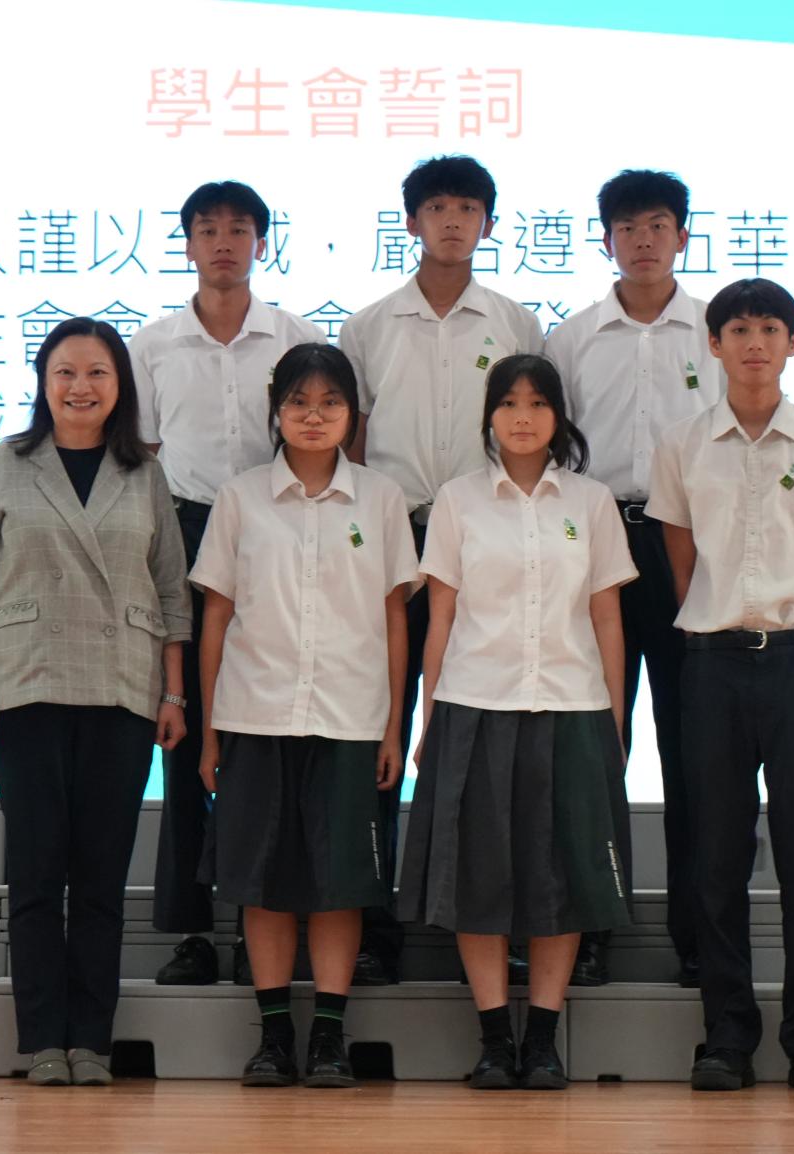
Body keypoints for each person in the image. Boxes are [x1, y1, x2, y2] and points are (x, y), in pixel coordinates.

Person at [0, 317, 191, 1086]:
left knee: (99, 879)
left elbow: (172, 592)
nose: (80, 387)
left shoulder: (144, 472)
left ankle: (91, 1040)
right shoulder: (7, 464)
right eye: (65, 372)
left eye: (97, 373)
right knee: (34, 874)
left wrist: (174, 692)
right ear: (43, 383)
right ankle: (42, 1042)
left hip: (123, 690)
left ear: (120, 386)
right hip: (26, 687)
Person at [648, 278, 794, 1092]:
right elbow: (681, 560)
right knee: (716, 858)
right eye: (738, 329)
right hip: (712, 666)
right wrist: (723, 628)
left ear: (792, 343)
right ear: (712, 344)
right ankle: (727, 1040)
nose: (755, 342)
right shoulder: (681, 445)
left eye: (771, 328)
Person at [399, 353, 638, 1090]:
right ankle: (494, 1040)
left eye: (537, 403)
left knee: (560, 878)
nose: (522, 417)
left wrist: (616, 721)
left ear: (559, 416)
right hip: (475, 703)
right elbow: (440, 618)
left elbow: (606, 616)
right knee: (479, 880)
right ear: (489, 417)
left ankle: (543, 1040)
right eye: (508, 403)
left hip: (572, 706)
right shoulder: (458, 500)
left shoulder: (591, 502)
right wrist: (429, 719)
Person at [340, 154, 543, 983]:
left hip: (488, 548)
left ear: (488, 224)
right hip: (391, 542)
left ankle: (490, 922)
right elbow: (352, 442)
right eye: (436, 207)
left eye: (467, 208)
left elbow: (531, 436)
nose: (452, 221)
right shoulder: (368, 327)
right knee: (378, 730)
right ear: (411, 221)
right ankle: (374, 929)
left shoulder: (516, 322)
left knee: (484, 739)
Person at [192, 343, 418, 1087]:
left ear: (354, 415)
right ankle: (272, 1037)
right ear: (276, 411)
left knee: (339, 885)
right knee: (262, 884)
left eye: (330, 403)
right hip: (255, 714)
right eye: (298, 402)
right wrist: (211, 731)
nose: (313, 416)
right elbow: (216, 616)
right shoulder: (241, 498)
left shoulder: (381, 499)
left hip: (351, 718)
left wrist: (393, 727)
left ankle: (328, 1036)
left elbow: (395, 619)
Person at [129, 180, 326, 987]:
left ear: (261, 244)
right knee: (186, 737)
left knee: (271, 736)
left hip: (282, 533)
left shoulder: (297, 337)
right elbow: (142, 453)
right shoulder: (152, 346)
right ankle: (192, 931)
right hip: (182, 530)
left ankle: (264, 927)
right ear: (186, 244)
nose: (223, 243)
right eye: (207, 229)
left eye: (239, 230)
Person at [545, 169, 721, 988]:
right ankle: (587, 930)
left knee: (695, 753)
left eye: (658, 225)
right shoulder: (572, 340)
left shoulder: (718, 333)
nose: (643, 240)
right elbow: (550, 452)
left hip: (692, 549)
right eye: (627, 227)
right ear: (605, 239)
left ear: (683, 236)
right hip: (597, 543)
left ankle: (700, 938)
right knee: (593, 751)